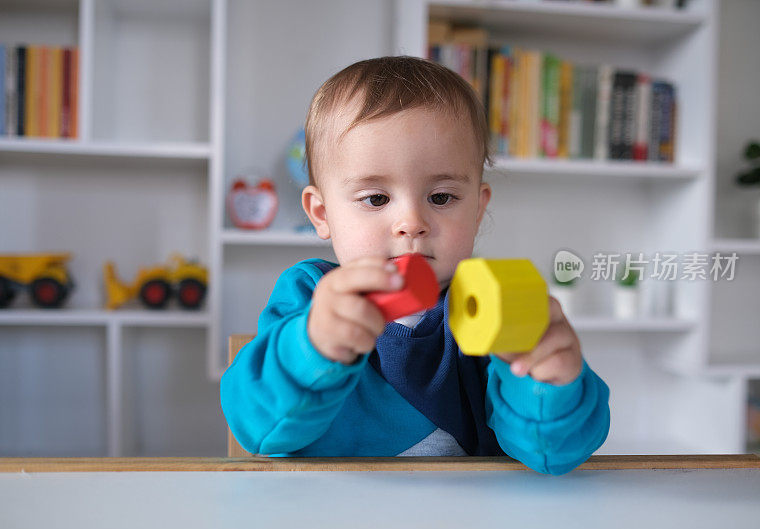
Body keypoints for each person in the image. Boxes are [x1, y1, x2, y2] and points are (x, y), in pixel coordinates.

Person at [220, 56, 610, 474]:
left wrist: (547, 382)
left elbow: (550, 453)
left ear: (477, 211)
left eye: (441, 198)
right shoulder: (311, 297)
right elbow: (257, 428)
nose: (412, 223)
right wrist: (312, 347)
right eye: (376, 198)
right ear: (322, 213)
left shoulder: (485, 305)